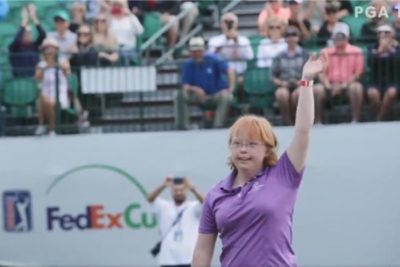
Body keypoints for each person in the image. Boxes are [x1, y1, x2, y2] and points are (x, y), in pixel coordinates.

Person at [192, 53, 327, 266]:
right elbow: (202, 250)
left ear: (267, 149)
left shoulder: (284, 174)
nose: (243, 150)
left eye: (252, 144)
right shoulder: (216, 195)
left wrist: (306, 81)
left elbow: (302, 130)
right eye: (237, 144)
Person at [175, 37, 235, 130]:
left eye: (198, 51)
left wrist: (231, 88)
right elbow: (185, 85)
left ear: (203, 50)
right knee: (179, 95)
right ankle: (183, 125)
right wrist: (195, 89)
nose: (196, 54)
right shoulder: (188, 64)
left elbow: (229, 71)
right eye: (193, 51)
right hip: (198, 96)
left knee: (227, 96)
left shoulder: (213, 59)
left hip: (216, 94)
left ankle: (217, 125)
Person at [147, 176, 204, 267]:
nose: (178, 193)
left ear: (186, 191)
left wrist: (192, 188)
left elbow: (206, 202)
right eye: (175, 190)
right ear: (172, 191)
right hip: (167, 260)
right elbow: (150, 198)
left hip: (189, 259)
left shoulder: (193, 206)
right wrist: (163, 185)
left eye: (181, 190)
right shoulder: (163, 206)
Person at [317, 26, 364, 123]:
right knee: (317, 89)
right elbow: (321, 73)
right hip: (329, 85)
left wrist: (344, 85)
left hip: (348, 84)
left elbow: (358, 73)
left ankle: (355, 120)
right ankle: (317, 121)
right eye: (336, 36)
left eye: (341, 36)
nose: (339, 39)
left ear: (347, 37)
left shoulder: (357, 51)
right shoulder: (325, 52)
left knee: (356, 88)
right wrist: (328, 85)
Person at [208, 12, 254, 102]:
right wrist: (226, 40)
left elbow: (250, 57)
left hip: (240, 75)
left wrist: (236, 41)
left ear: (236, 24)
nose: (229, 24)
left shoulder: (243, 40)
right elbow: (210, 58)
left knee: (242, 82)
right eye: (226, 21)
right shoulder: (214, 40)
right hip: (221, 76)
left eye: (231, 22)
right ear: (221, 24)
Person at [270, 27, 310, 125]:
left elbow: (311, 75)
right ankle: (287, 121)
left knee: (298, 95)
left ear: (298, 38)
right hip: (284, 84)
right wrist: (282, 83)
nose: (291, 38)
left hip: (301, 84)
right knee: (281, 94)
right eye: (288, 35)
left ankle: (297, 120)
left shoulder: (305, 54)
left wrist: (300, 83)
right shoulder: (279, 56)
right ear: (285, 38)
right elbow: (271, 76)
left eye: (294, 35)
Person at [34, 38, 70, 136]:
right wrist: (46, 66)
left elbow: (68, 73)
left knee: (48, 101)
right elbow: (37, 78)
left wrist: (59, 66)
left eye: (52, 48)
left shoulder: (63, 61)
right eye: (47, 48)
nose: (50, 51)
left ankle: (47, 127)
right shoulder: (41, 64)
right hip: (46, 93)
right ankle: (50, 128)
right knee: (44, 99)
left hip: (59, 92)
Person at [367, 24, 399, 121]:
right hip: (376, 80)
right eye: (380, 33)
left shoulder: (397, 47)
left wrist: (389, 49)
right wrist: (380, 51)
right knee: (372, 93)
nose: (383, 35)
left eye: (386, 33)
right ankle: (384, 116)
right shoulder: (372, 47)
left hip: (394, 80)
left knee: (392, 92)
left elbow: (398, 61)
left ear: (392, 35)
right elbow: (370, 62)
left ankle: (379, 118)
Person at [9, 3, 46, 77]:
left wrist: (34, 17)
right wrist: (24, 21)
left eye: (29, 33)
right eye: (25, 33)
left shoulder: (34, 46)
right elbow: (17, 40)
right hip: (20, 81)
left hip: (34, 79)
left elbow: (43, 35)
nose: (28, 35)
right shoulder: (15, 47)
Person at [108, 0, 144, 65]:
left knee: (125, 54)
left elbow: (140, 31)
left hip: (129, 48)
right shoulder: (110, 19)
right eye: (115, 5)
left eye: (119, 6)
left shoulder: (131, 18)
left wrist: (130, 15)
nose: (117, 7)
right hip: (113, 48)